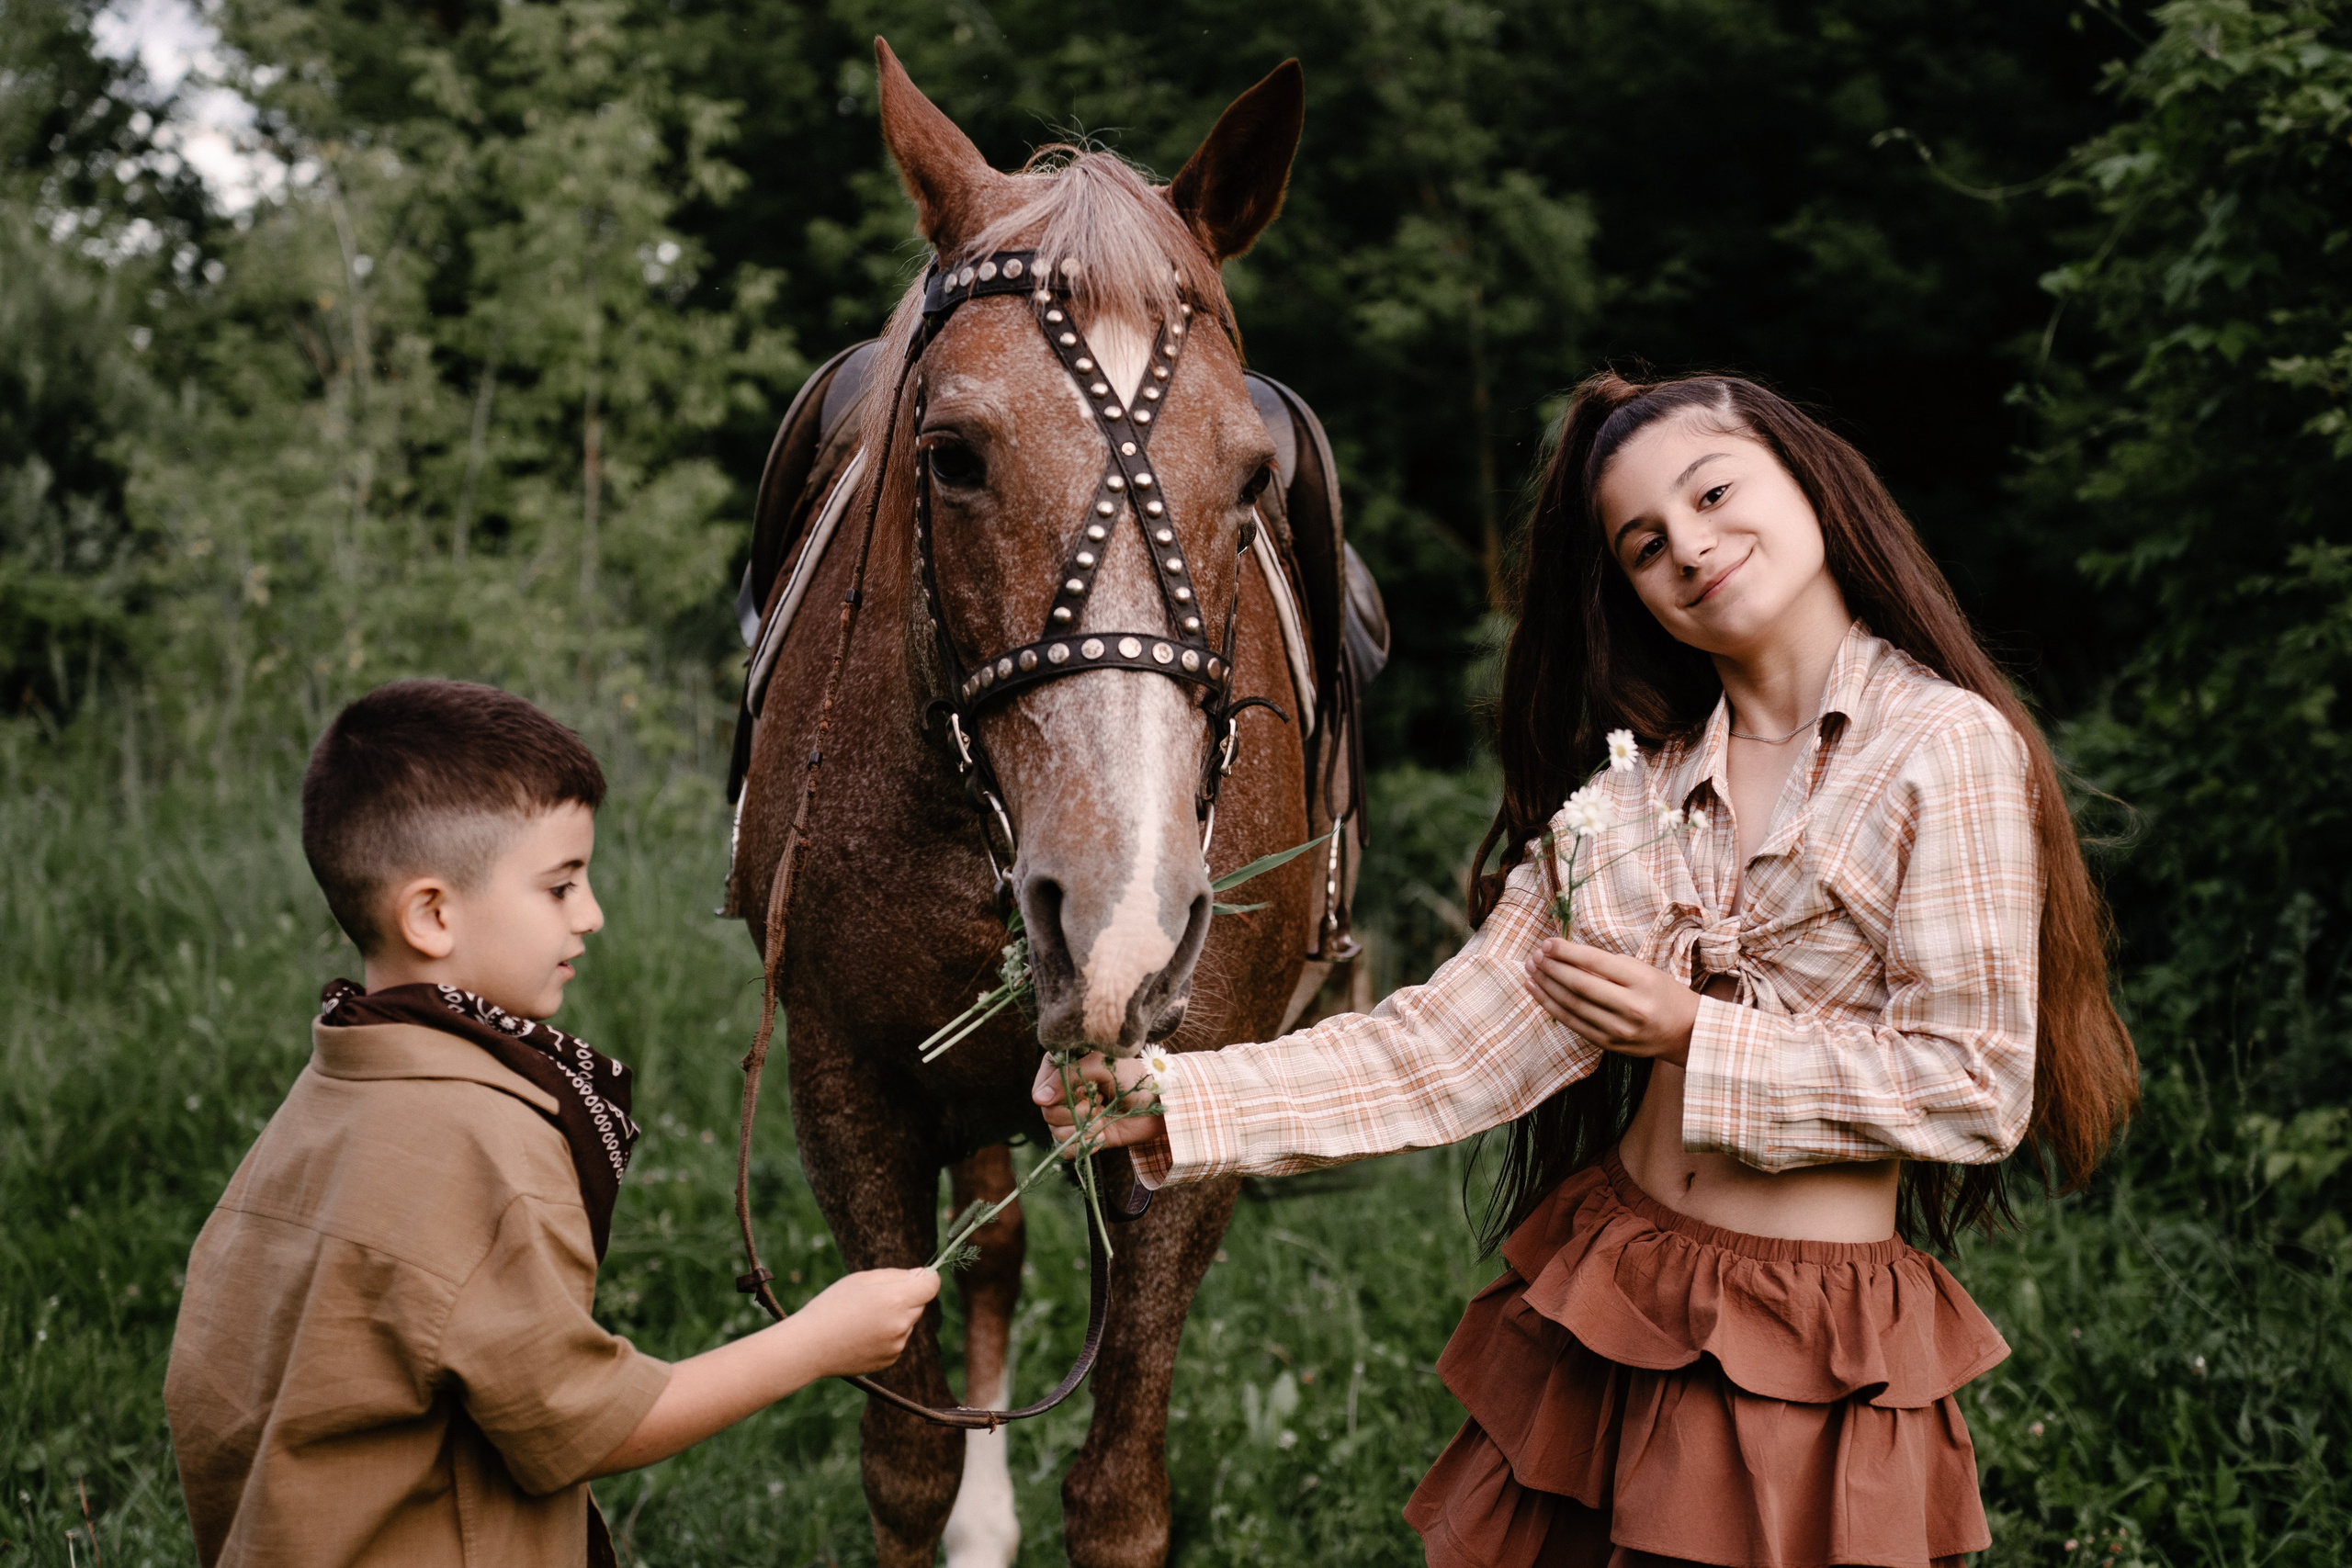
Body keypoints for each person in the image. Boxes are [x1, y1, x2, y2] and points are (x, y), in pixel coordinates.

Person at [1039, 373, 2140, 1567]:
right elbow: (1445, 1045)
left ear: (1811, 481)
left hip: (1805, 1332)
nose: (1692, 546)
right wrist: (1169, 1094)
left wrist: (1693, 1035)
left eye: (1715, 491)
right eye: (1645, 541)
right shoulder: (1628, 804)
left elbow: (1974, 1081)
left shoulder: (1943, 747)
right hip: (1618, 1284)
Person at [164, 680, 937, 1568]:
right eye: (561, 885)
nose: (593, 913)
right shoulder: (485, 1142)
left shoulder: (326, 1097)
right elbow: (583, 1425)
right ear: (432, 914)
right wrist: (814, 1341)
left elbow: (212, 1397)